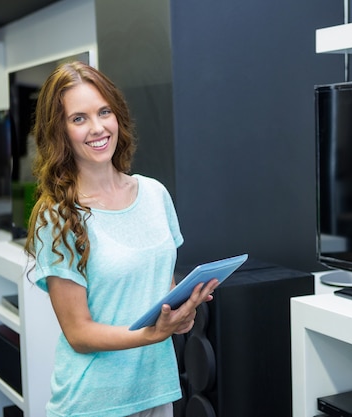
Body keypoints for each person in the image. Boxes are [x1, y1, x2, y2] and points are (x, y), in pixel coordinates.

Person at [24, 61, 219, 417]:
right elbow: (78, 333)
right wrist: (151, 335)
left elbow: (158, 285)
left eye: (104, 112)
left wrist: (181, 313)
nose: (97, 128)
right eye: (78, 118)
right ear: (60, 131)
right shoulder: (58, 215)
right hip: (93, 403)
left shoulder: (155, 193)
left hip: (155, 391)